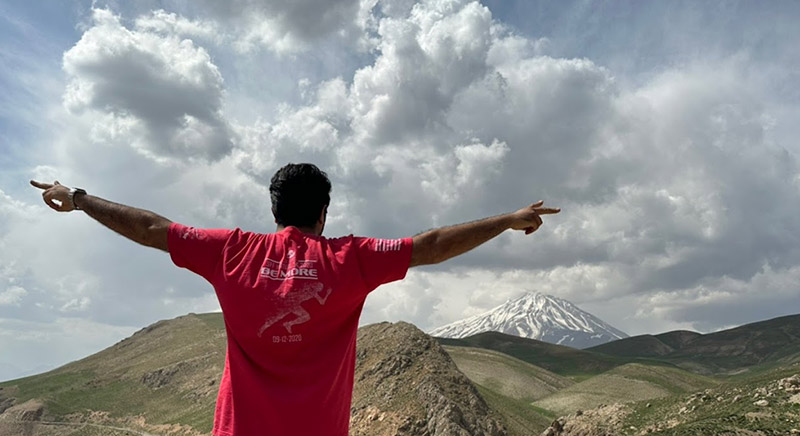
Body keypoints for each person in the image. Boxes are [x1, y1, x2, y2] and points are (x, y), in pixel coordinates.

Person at [31, 163, 559, 436]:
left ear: (274, 210)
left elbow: (151, 228)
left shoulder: (231, 251)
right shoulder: (351, 259)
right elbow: (432, 245)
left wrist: (78, 198)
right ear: (323, 213)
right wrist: (506, 219)